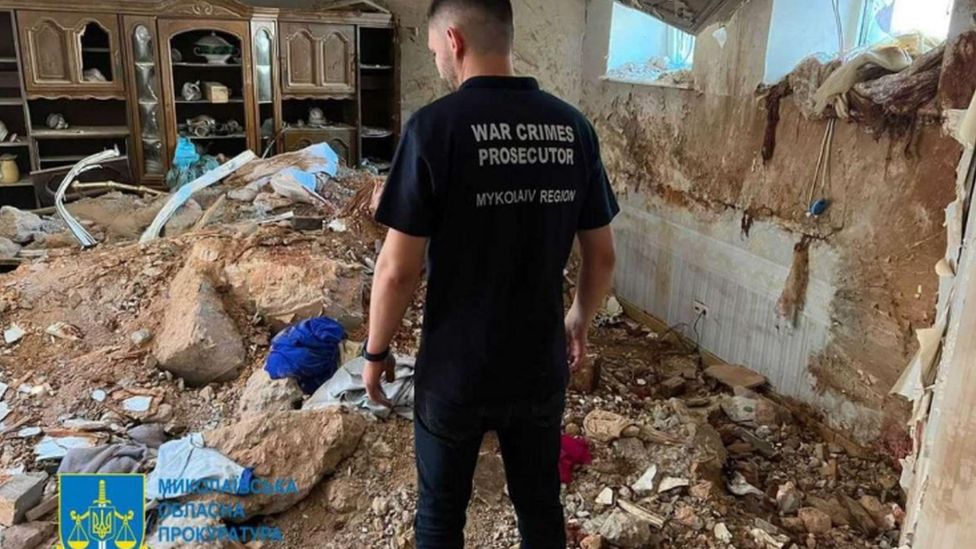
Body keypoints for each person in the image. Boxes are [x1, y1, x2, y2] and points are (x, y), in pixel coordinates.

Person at [363, 0, 619, 547]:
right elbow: (601, 256)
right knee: (539, 507)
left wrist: (376, 352)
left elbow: (395, 270)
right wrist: (579, 317)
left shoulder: (434, 129)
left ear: (453, 41)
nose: (437, 62)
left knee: (440, 516)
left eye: (434, 51)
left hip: (456, 370)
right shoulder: (573, 128)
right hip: (536, 364)